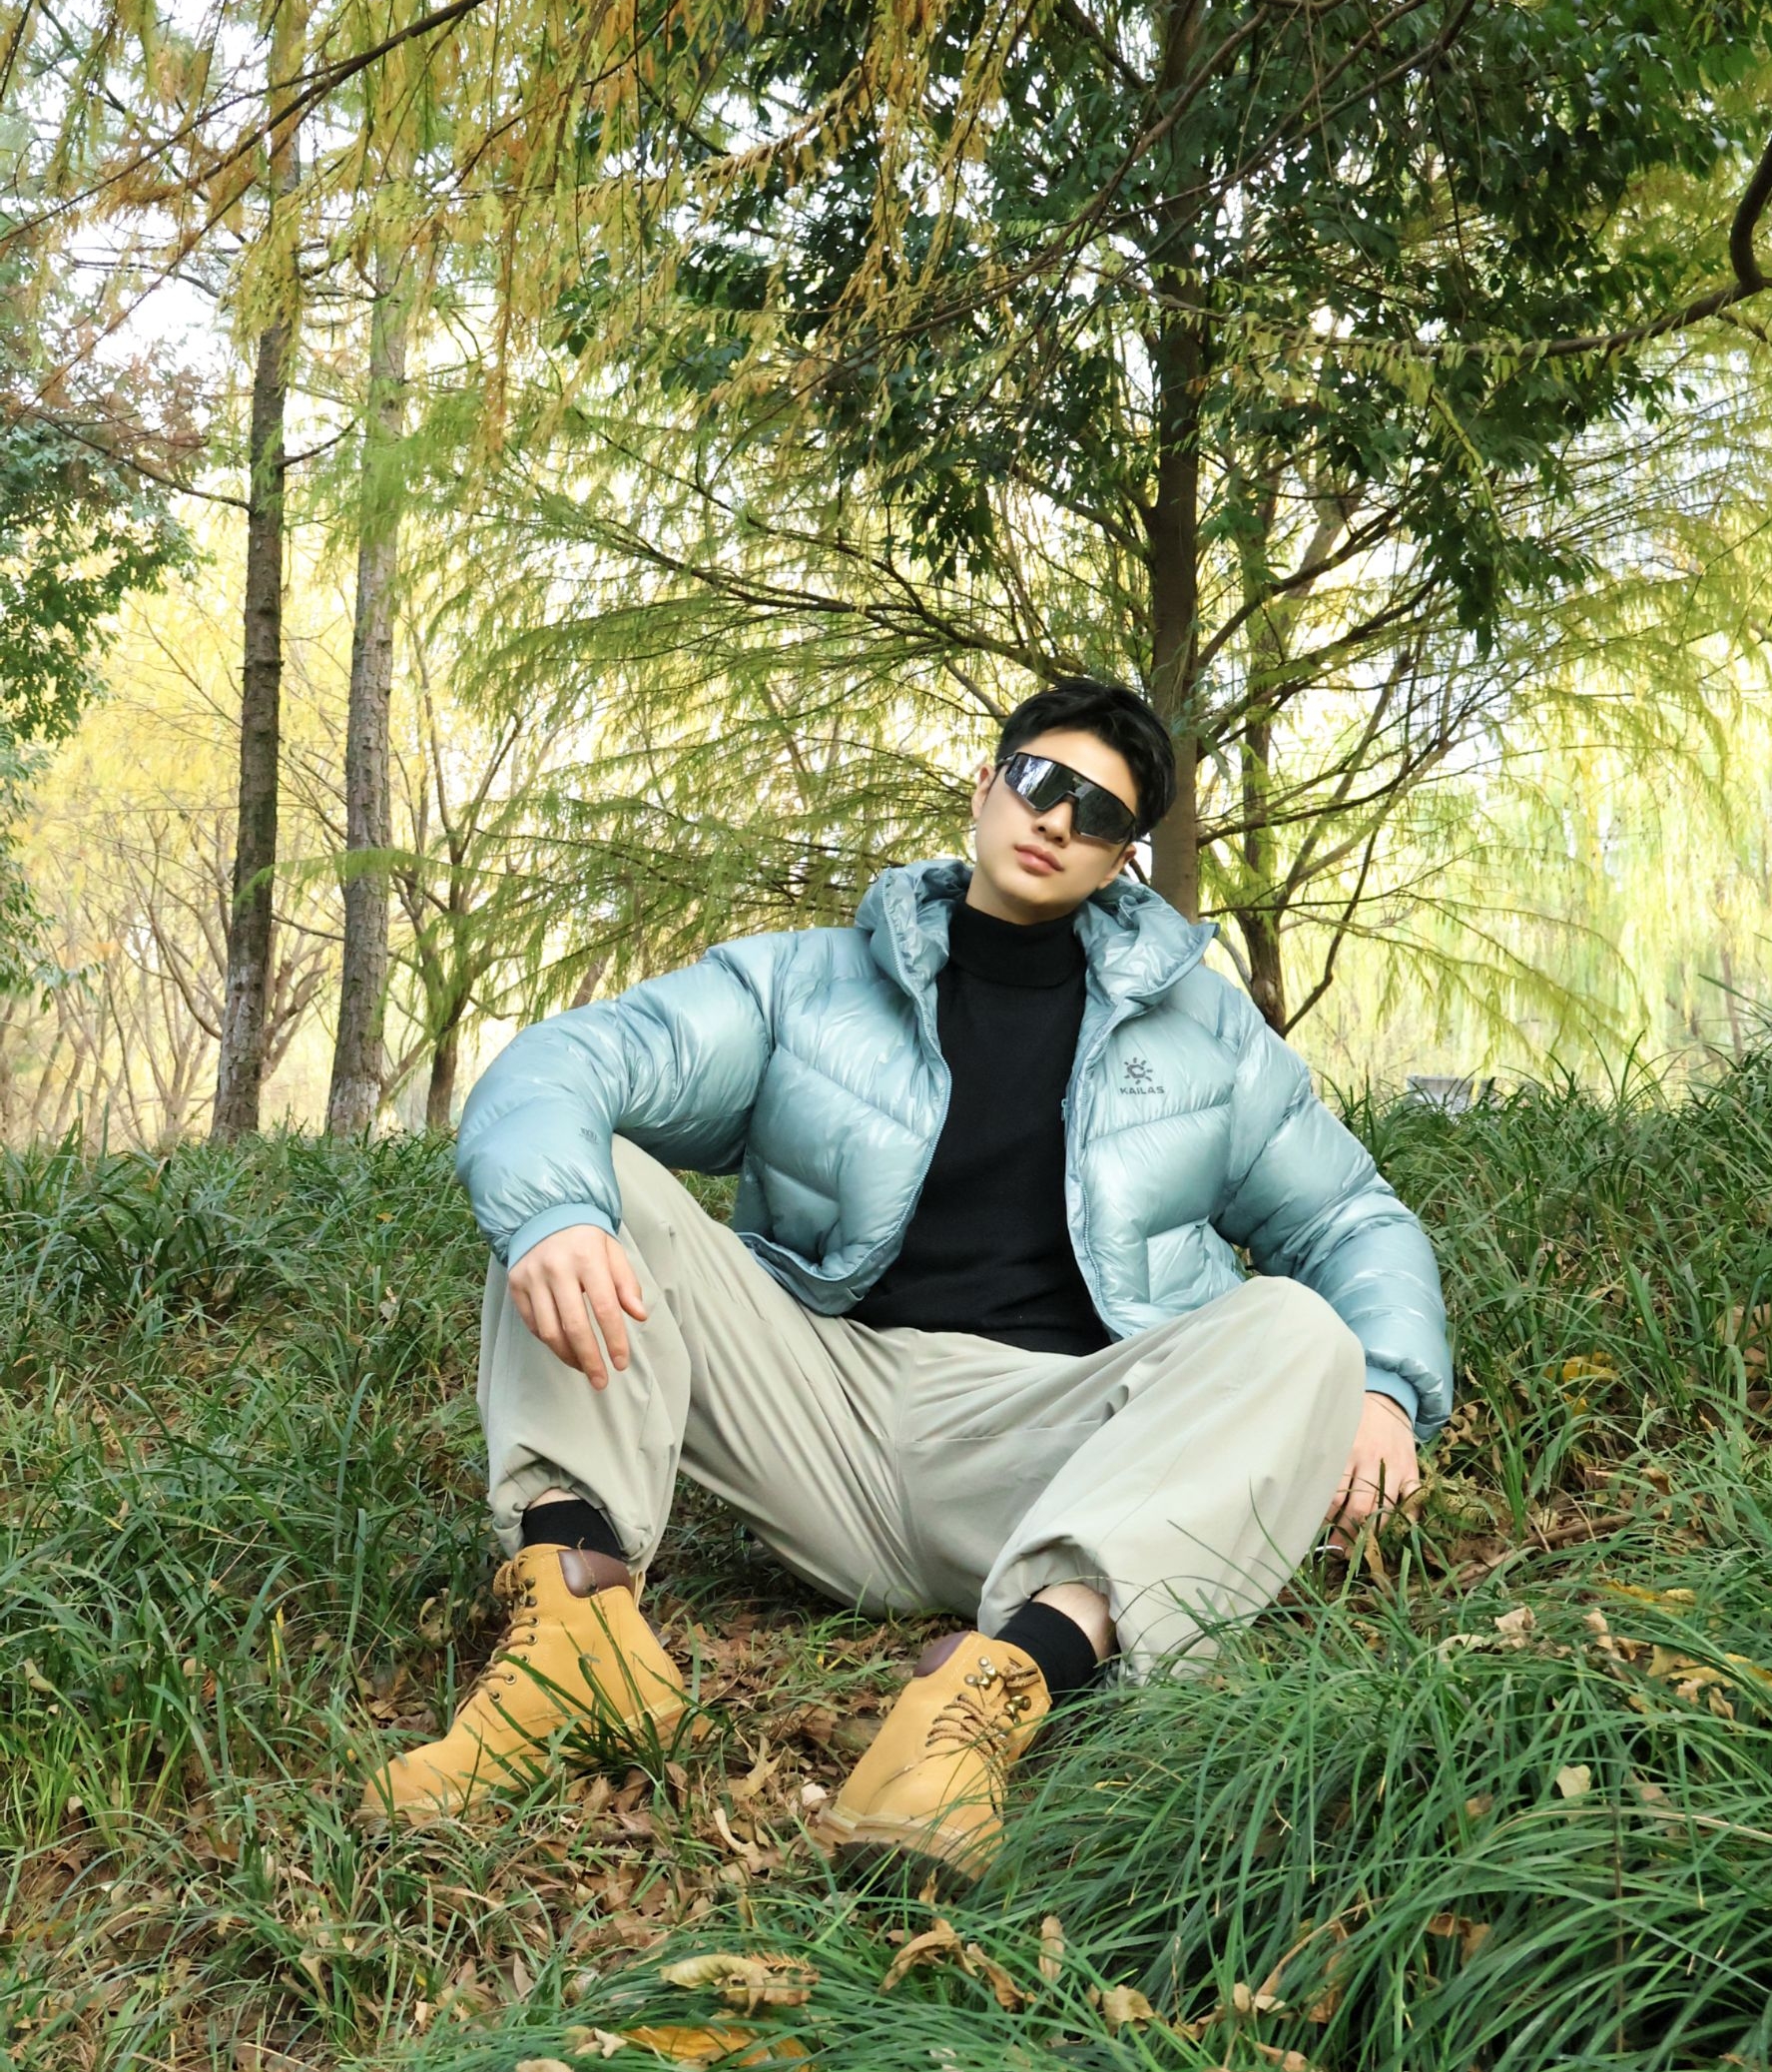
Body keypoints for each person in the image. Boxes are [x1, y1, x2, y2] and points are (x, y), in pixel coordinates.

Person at [359, 676, 1452, 1887]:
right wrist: (557, 1212)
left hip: (1056, 1449)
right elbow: (576, 1059)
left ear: (1120, 860)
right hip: (816, 1411)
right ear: (985, 786)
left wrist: (1384, 1388)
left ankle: (986, 1696)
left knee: (1300, 1331)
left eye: (1097, 814)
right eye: (1039, 781)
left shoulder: (1204, 1036)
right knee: (592, 1178)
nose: (1056, 819)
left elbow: (1349, 1218)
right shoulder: (803, 985)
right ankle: (574, 1638)